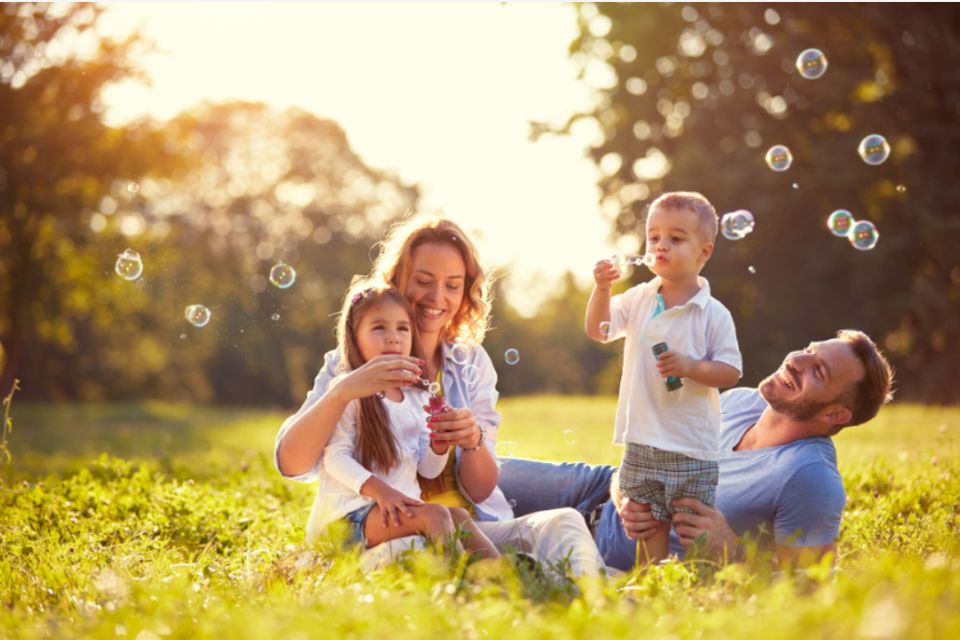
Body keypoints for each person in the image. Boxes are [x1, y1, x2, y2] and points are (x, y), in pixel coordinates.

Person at [274, 215, 604, 576]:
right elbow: (292, 464)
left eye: (453, 285)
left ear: (465, 292)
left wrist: (469, 440)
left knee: (565, 523)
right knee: (416, 555)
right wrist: (343, 390)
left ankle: (593, 599)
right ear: (398, 281)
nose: (437, 297)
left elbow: (477, 490)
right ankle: (499, 585)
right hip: (388, 531)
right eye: (424, 281)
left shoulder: (470, 362)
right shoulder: (351, 363)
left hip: (470, 528)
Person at [497, 329, 894, 571]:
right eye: (809, 349)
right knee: (470, 471)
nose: (796, 360)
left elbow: (808, 592)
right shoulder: (741, 401)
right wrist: (623, 488)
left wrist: (734, 553)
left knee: (470, 538)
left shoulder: (810, 478)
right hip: (597, 488)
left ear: (836, 413)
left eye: (818, 370)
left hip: (610, 549)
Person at [585, 192, 742, 564]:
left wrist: (690, 367)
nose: (660, 246)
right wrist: (602, 289)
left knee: (692, 523)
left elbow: (731, 371)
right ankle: (653, 581)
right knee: (646, 520)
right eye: (653, 237)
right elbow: (599, 329)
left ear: (704, 253)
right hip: (642, 437)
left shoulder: (712, 313)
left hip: (691, 442)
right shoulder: (640, 298)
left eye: (675, 238)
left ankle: (703, 583)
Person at [319, 284, 498, 559]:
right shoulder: (349, 391)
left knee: (459, 516)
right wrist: (381, 492)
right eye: (379, 328)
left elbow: (427, 471)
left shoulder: (416, 397)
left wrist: (439, 445)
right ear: (355, 337)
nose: (393, 338)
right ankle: (457, 583)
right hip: (349, 518)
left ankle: (503, 576)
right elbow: (334, 457)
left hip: (396, 511)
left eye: (402, 328)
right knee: (436, 514)